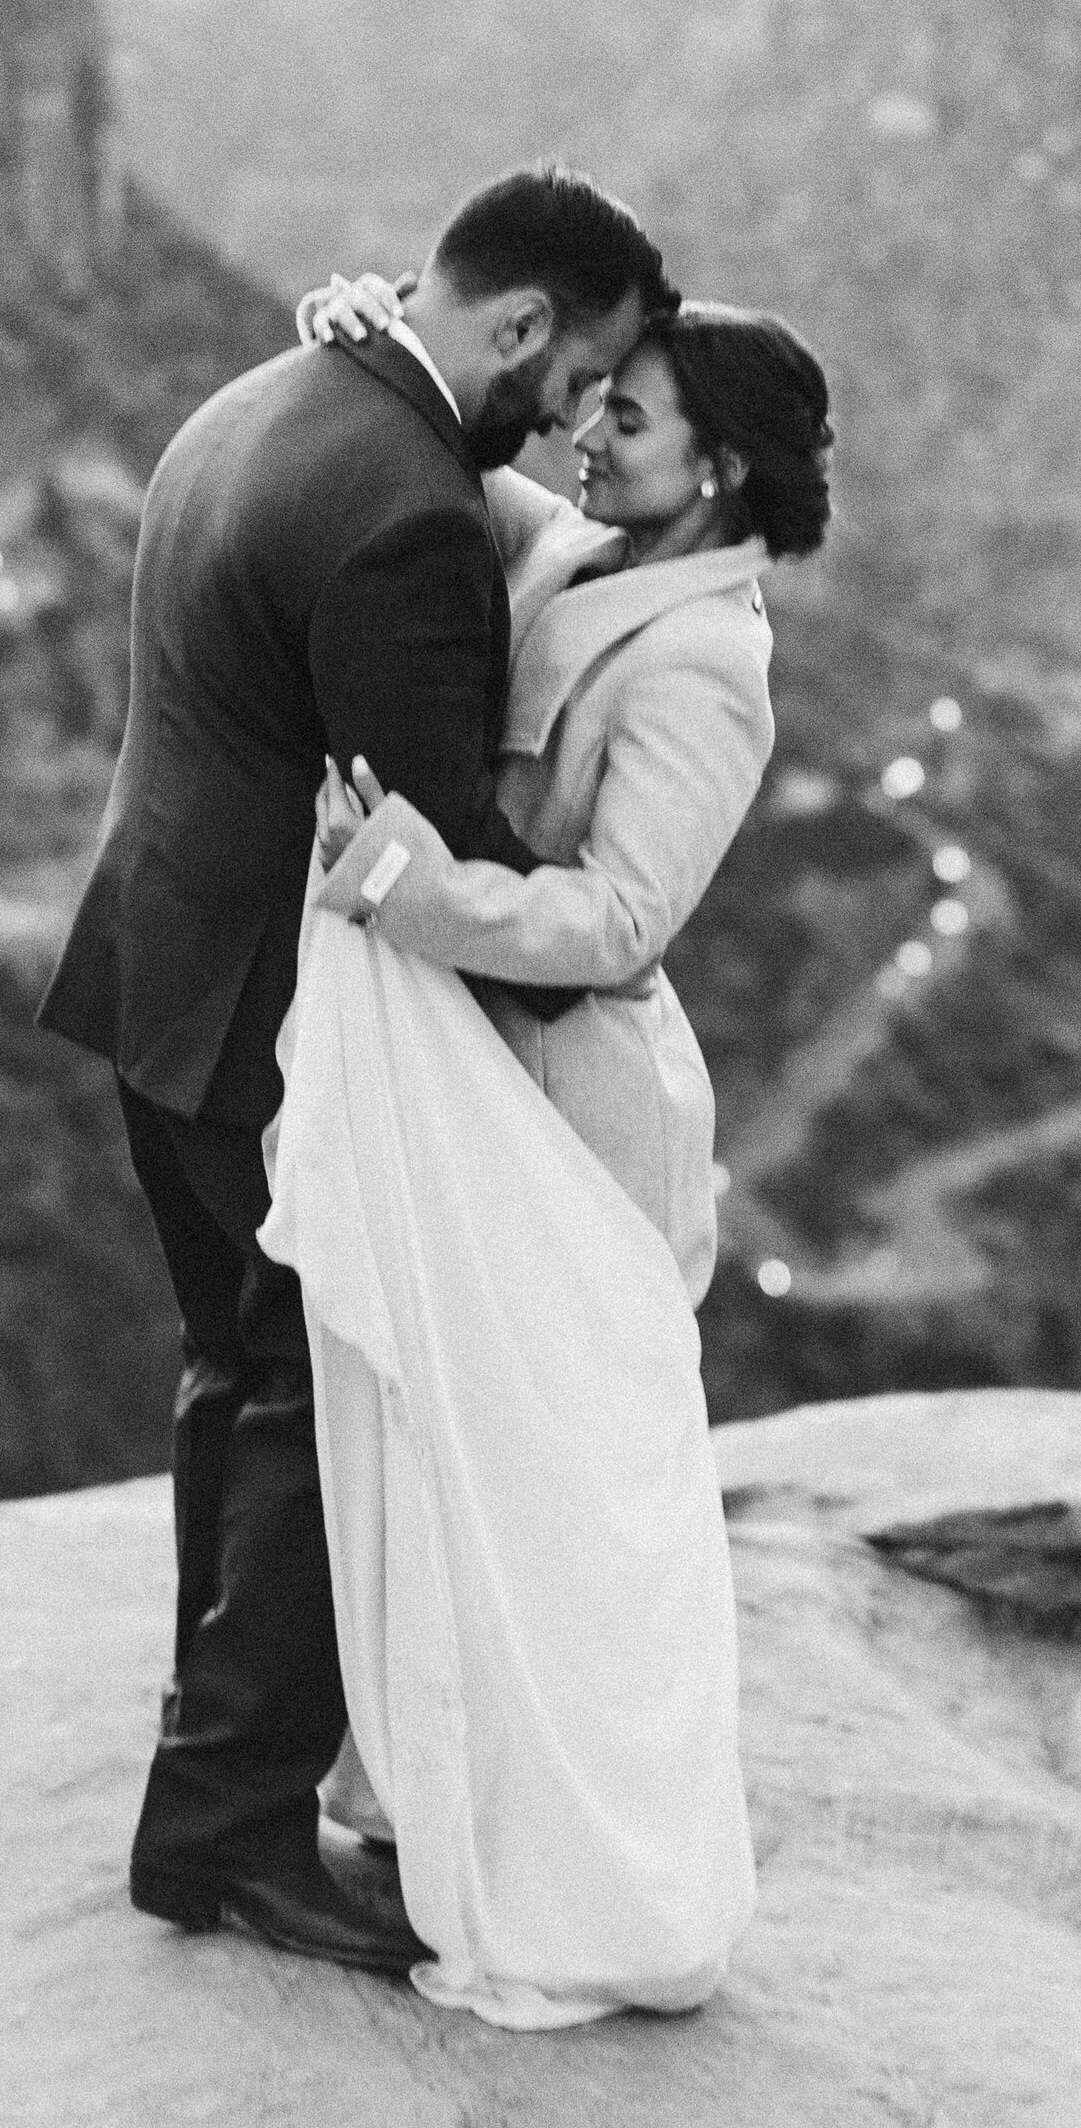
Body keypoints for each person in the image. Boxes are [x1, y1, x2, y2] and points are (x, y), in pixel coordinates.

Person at [39, 164, 676, 1975]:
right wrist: (599, 958)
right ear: (526, 325)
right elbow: (446, 840)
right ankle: (227, 1826)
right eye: (578, 379)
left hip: (151, 975)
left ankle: (213, 1754)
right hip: (264, 1026)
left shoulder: (267, 394)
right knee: (323, 1409)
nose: (570, 427)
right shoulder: (402, 508)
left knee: (232, 1373)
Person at [264, 280, 834, 2025]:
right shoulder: (591, 551)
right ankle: (436, 1805)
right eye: (598, 404)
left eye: (632, 420)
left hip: (580, 1121)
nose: (590, 435)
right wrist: (375, 332)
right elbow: (460, 468)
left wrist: (412, 891)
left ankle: (582, 1870)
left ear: (721, 468)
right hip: (483, 1081)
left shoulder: (709, 661)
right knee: (475, 1472)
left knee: (563, 1503)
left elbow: (621, 914)